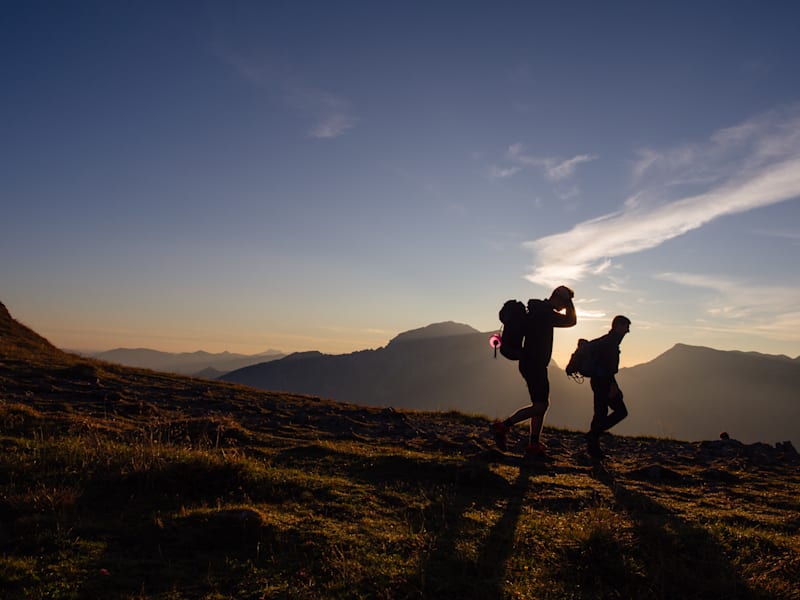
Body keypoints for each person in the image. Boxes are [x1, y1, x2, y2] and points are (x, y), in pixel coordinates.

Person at [492, 285, 576, 459]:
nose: (565, 306)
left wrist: (567, 301)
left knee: (541, 404)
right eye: (565, 302)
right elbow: (571, 321)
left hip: (530, 362)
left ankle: (533, 444)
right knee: (541, 405)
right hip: (534, 363)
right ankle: (503, 426)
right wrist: (570, 304)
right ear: (559, 298)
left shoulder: (538, 310)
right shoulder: (545, 313)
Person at [584, 315, 631, 458]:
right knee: (620, 412)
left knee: (600, 413)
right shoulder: (611, 343)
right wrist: (612, 385)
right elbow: (608, 367)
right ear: (618, 326)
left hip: (598, 381)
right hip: (603, 382)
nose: (627, 331)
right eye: (626, 327)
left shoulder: (607, 340)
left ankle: (594, 446)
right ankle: (593, 437)